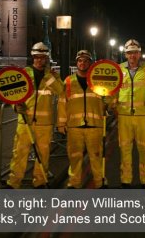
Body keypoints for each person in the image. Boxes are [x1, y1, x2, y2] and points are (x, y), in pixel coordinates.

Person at [7, 42, 64, 189]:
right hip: (25, 121)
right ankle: (13, 183)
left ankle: (39, 181)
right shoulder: (24, 73)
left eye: (42, 57)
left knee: (43, 154)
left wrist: (48, 76)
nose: (39, 60)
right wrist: (15, 106)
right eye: (37, 57)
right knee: (19, 153)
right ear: (33, 57)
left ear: (46, 58)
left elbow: (60, 90)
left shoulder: (52, 76)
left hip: (44, 123)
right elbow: (13, 94)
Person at [57, 50, 109, 189]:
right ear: (77, 62)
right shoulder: (68, 81)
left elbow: (109, 98)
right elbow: (62, 102)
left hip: (95, 125)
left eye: (86, 61)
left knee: (97, 157)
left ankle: (100, 182)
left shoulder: (98, 80)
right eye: (80, 60)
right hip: (74, 126)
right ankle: (74, 183)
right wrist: (61, 123)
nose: (82, 63)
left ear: (90, 63)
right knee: (74, 157)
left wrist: (108, 104)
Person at [114, 39, 145, 188]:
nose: (132, 56)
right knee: (125, 149)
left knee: (144, 149)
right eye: (129, 53)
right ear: (125, 54)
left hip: (143, 116)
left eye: (135, 53)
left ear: (140, 54)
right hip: (124, 116)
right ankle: (126, 180)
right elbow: (112, 90)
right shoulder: (118, 69)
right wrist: (108, 104)